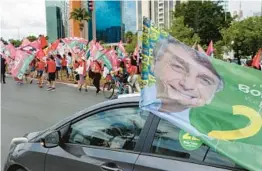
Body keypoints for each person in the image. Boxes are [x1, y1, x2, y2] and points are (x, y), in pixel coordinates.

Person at [143, 36, 224, 136]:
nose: (187, 85)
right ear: (154, 64)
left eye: (204, 80)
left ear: (214, 92)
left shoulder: (218, 132)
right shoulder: (142, 107)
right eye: (178, 67)